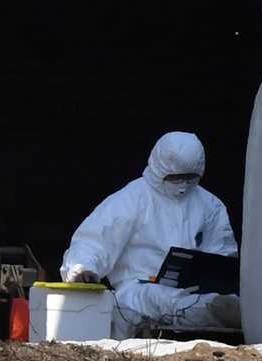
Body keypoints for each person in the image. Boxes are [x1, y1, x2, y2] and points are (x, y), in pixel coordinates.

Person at [60, 131, 241, 339]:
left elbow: (222, 255)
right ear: (159, 168)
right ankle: (212, 310)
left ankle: (217, 306)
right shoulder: (133, 198)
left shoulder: (210, 206)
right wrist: (83, 269)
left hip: (193, 289)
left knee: (207, 296)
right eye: (175, 178)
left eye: (190, 178)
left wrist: (215, 280)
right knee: (154, 297)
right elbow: (94, 240)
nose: (183, 185)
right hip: (137, 289)